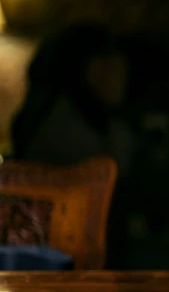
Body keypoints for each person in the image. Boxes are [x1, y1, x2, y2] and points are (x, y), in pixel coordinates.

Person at [11, 23, 136, 177]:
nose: (123, 82)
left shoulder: (98, 121)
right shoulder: (63, 131)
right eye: (117, 71)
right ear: (94, 69)